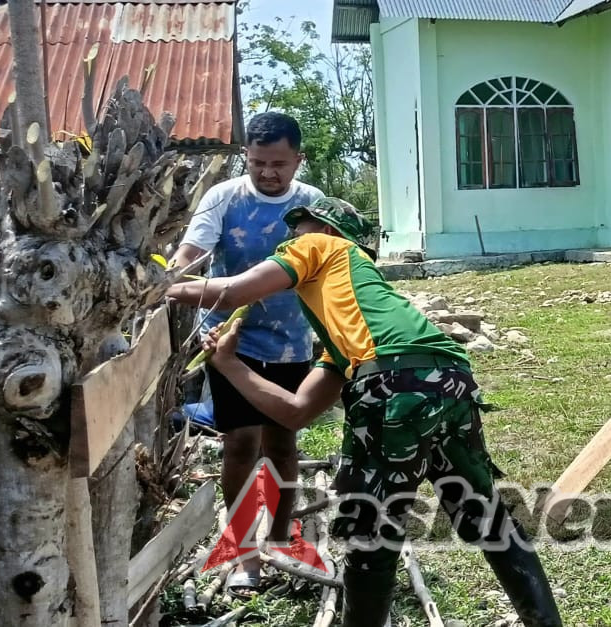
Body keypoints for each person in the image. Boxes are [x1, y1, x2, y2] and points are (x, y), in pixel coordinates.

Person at [166, 197, 564, 627]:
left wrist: (160, 284)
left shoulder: (322, 246)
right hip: (450, 379)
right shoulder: (357, 327)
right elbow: (295, 412)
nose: (289, 242)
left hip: (393, 383)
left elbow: (232, 291)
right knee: (485, 517)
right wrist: (228, 364)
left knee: (370, 533)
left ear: (329, 232)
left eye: (299, 229)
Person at [170, 111, 324, 596]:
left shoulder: (312, 204)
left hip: (292, 342)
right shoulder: (224, 197)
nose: (268, 173)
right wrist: (172, 273)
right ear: (246, 158)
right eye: (258, 162)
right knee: (240, 443)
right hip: (228, 341)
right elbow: (191, 254)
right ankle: (243, 551)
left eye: (279, 163)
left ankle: (279, 536)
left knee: (282, 443)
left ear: (298, 159)